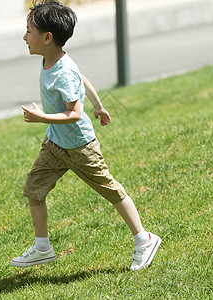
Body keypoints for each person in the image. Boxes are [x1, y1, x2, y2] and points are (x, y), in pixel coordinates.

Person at [11, 0, 161, 271]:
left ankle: (144, 239)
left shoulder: (63, 71)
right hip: (55, 144)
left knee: (111, 190)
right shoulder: (52, 60)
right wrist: (100, 105)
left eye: (29, 31)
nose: (24, 37)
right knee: (34, 189)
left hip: (80, 147)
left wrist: (40, 117)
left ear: (47, 38)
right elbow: (84, 78)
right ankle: (43, 247)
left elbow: (74, 114)